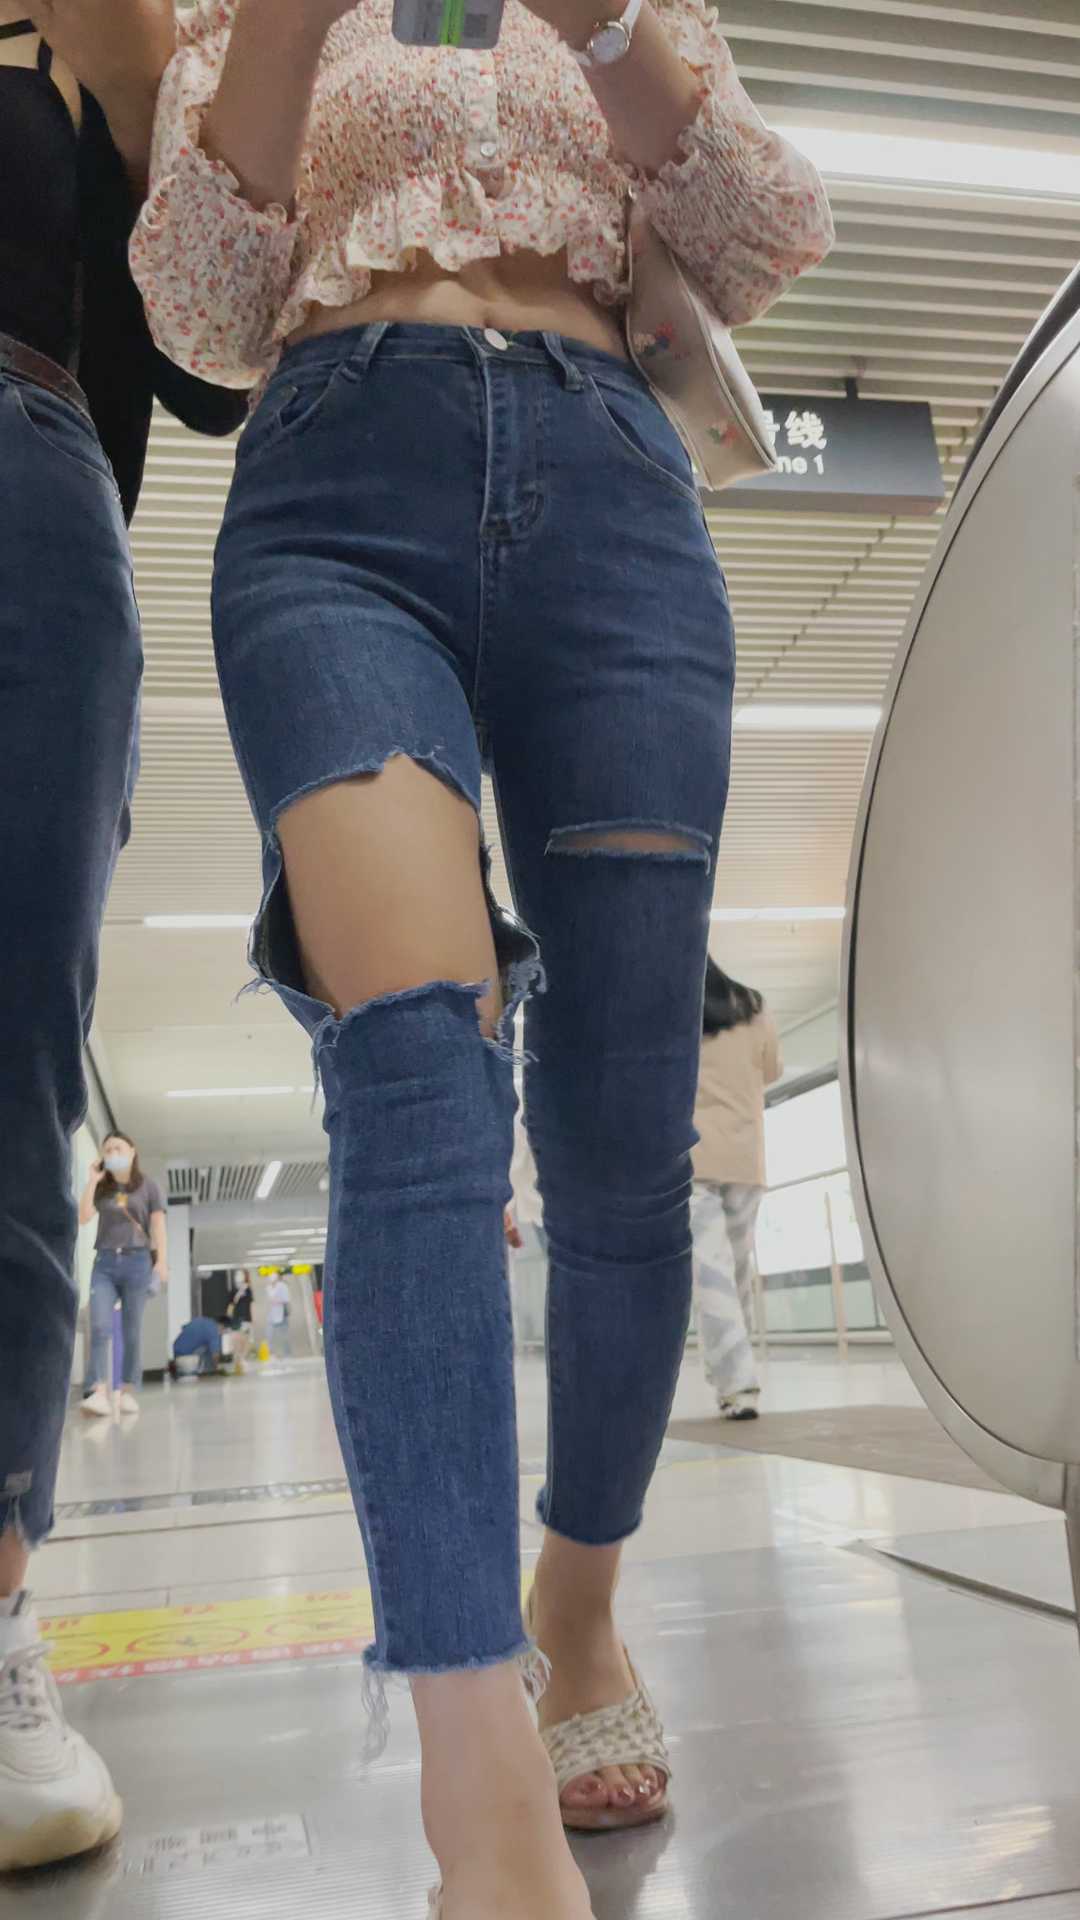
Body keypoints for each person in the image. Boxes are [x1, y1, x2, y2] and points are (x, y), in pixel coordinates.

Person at [131, 4, 831, 1913]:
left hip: (616, 499)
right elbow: (200, 309)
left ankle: (577, 1608)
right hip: (333, 496)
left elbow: (761, 228)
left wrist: (600, 22)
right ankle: (477, 1769)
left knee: (616, 1142)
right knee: (416, 1074)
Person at [0, 0, 247, 1871]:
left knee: (14, 1068)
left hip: (33, 459)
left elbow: (216, 370)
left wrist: (148, 84)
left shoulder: (100, 57)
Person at [692, 960, 783, 1419]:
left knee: (712, 1274)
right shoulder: (753, 1006)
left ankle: (737, 1382)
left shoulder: (673, 1008)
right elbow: (772, 1070)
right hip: (745, 1156)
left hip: (693, 1158)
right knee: (738, 1273)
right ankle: (734, 1379)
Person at [78, 1133, 167, 1417]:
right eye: (107, 1149)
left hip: (137, 1262)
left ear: (132, 1151)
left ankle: (128, 1390)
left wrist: (161, 1263)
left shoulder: (148, 1186)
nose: (113, 1152)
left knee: (131, 1330)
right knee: (100, 1326)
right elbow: (83, 1216)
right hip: (104, 1263)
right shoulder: (102, 1187)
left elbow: (158, 1226)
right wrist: (92, 1180)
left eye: (118, 1147)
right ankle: (98, 1391)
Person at [226, 1267, 255, 1370]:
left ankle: (243, 1357)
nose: (239, 1277)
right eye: (237, 1274)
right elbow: (231, 1304)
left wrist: (253, 1318)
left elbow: (251, 1304)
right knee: (237, 1339)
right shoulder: (233, 1290)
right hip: (236, 1318)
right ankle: (237, 1359)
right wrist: (239, 1293)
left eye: (241, 1274)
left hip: (247, 1318)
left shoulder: (248, 1289)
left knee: (248, 1339)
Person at [266, 1274, 292, 1359]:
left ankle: (287, 1354)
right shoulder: (268, 1287)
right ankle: (272, 1354)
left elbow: (286, 1299)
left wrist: (277, 1301)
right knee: (269, 1334)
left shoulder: (282, 1286)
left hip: (282, 1313)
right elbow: (269, 1300)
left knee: (284, 1335)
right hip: (272, 1313)